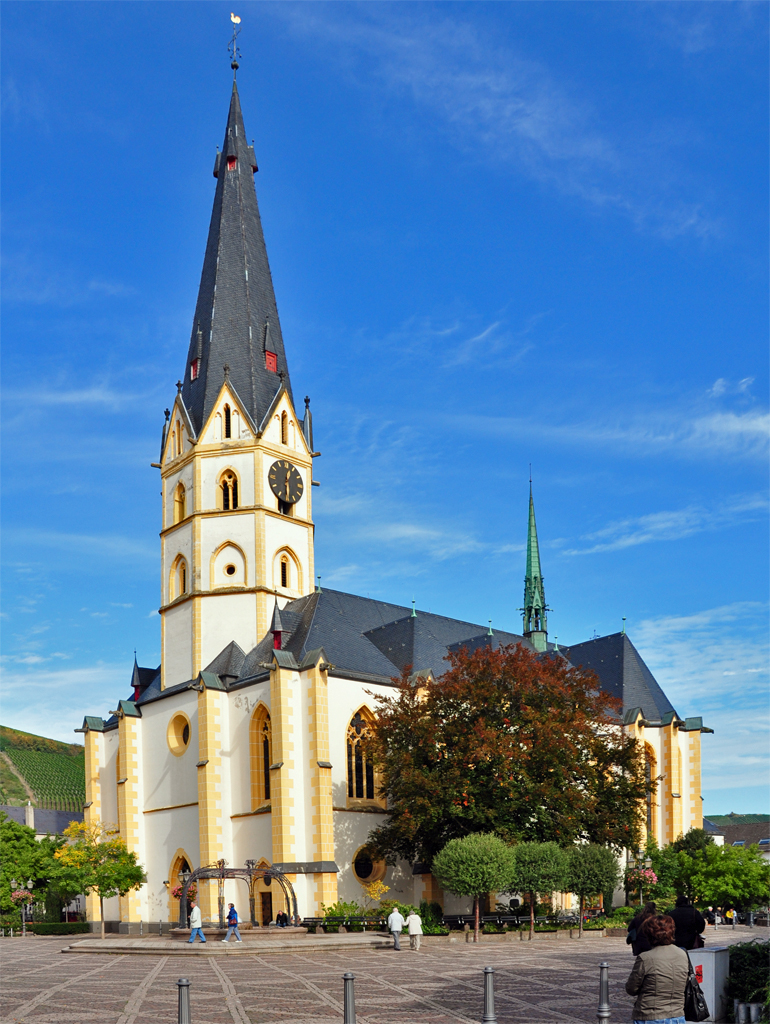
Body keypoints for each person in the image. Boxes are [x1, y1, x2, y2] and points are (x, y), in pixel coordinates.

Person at [625, 914, 689, 1024]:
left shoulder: (646, 958)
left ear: (648, 934)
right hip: (677, 1015)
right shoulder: (682, 954)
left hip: (650, 1015)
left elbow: (631, 989)